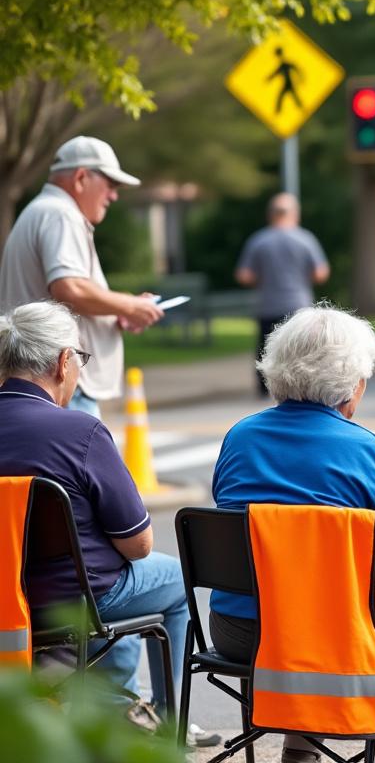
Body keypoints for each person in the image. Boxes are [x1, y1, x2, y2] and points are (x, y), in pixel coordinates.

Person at [209, 305, 375, 763]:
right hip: (338, 633)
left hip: (241, 627)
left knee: (299, 608)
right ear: (354, 387)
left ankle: (301, 751)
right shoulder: (371, 455)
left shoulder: (239, 439)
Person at [0, 302, 214, 744]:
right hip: (69, 599)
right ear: (63, 362)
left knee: (108, 574)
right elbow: (137, 544)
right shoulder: (81, 432)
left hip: (9, 600)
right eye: (80, 358)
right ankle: (165, 722)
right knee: (168, 575)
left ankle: (117, 706)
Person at [0, 136, 163, 419]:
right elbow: (69, 288)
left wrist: (117, 311)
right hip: (60, 381)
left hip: (38, 379)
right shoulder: (61, 214)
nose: (113, 195)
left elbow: (66, 292)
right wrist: (130, 306)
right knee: (81, 460)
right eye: (111, 185)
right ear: (81, 177)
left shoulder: (43, 211)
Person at [235, 192, 329, 396]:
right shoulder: (305, 239)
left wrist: (263, 277)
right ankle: (303, 388)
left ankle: (264, 389)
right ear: (295, 214)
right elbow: (321, 273)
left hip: (268, 304)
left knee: (266, 348)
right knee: (302, 350)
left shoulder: (259, 241)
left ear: (271, 215)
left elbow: (244, 275)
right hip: (298, 304)